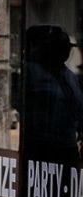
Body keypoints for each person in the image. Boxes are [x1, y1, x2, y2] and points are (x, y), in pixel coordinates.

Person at [23, 25, 83, 163]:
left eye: (67, 47)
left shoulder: (69, 76)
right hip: (42, 148)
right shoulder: (32, 71)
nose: (66, 51)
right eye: (60, 46)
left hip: (67, 148)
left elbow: (79, 108)